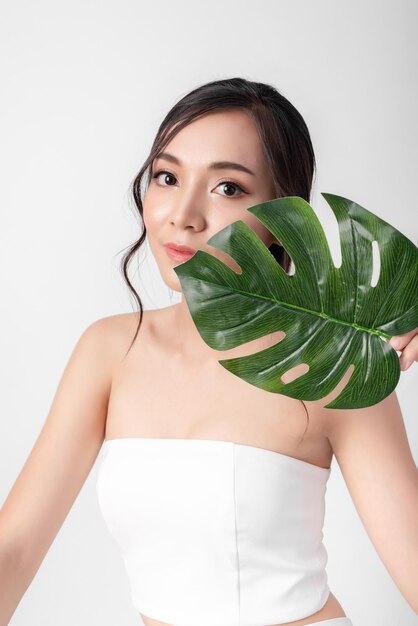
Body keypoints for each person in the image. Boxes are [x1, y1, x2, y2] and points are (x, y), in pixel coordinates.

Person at [0, 77, 417, 626]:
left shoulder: (331, 362)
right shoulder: (109, 350)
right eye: (168, 177)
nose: (184, 215)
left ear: (283, 216)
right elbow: (16, 550)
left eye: (228, 188)